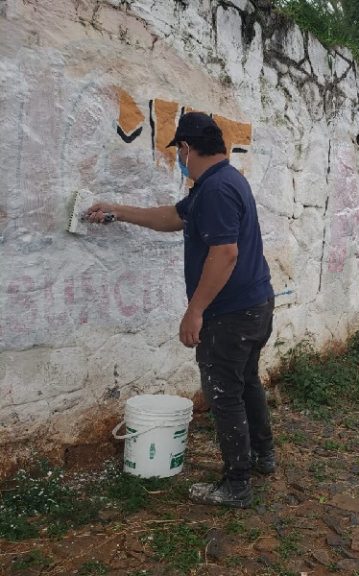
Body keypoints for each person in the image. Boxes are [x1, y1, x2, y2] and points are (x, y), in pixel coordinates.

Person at [86, 112, 275, 508]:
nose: (181, 160)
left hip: (231, 314)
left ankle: (237, 483)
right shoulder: (221, 182)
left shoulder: (217, 189)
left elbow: (224, 254)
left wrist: (195, 311)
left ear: (186, 148)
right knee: (246, 382)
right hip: (254, 306)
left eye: (180, 153)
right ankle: (262, 455)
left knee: (224, 393)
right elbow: (174, 216)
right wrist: (118, 210)